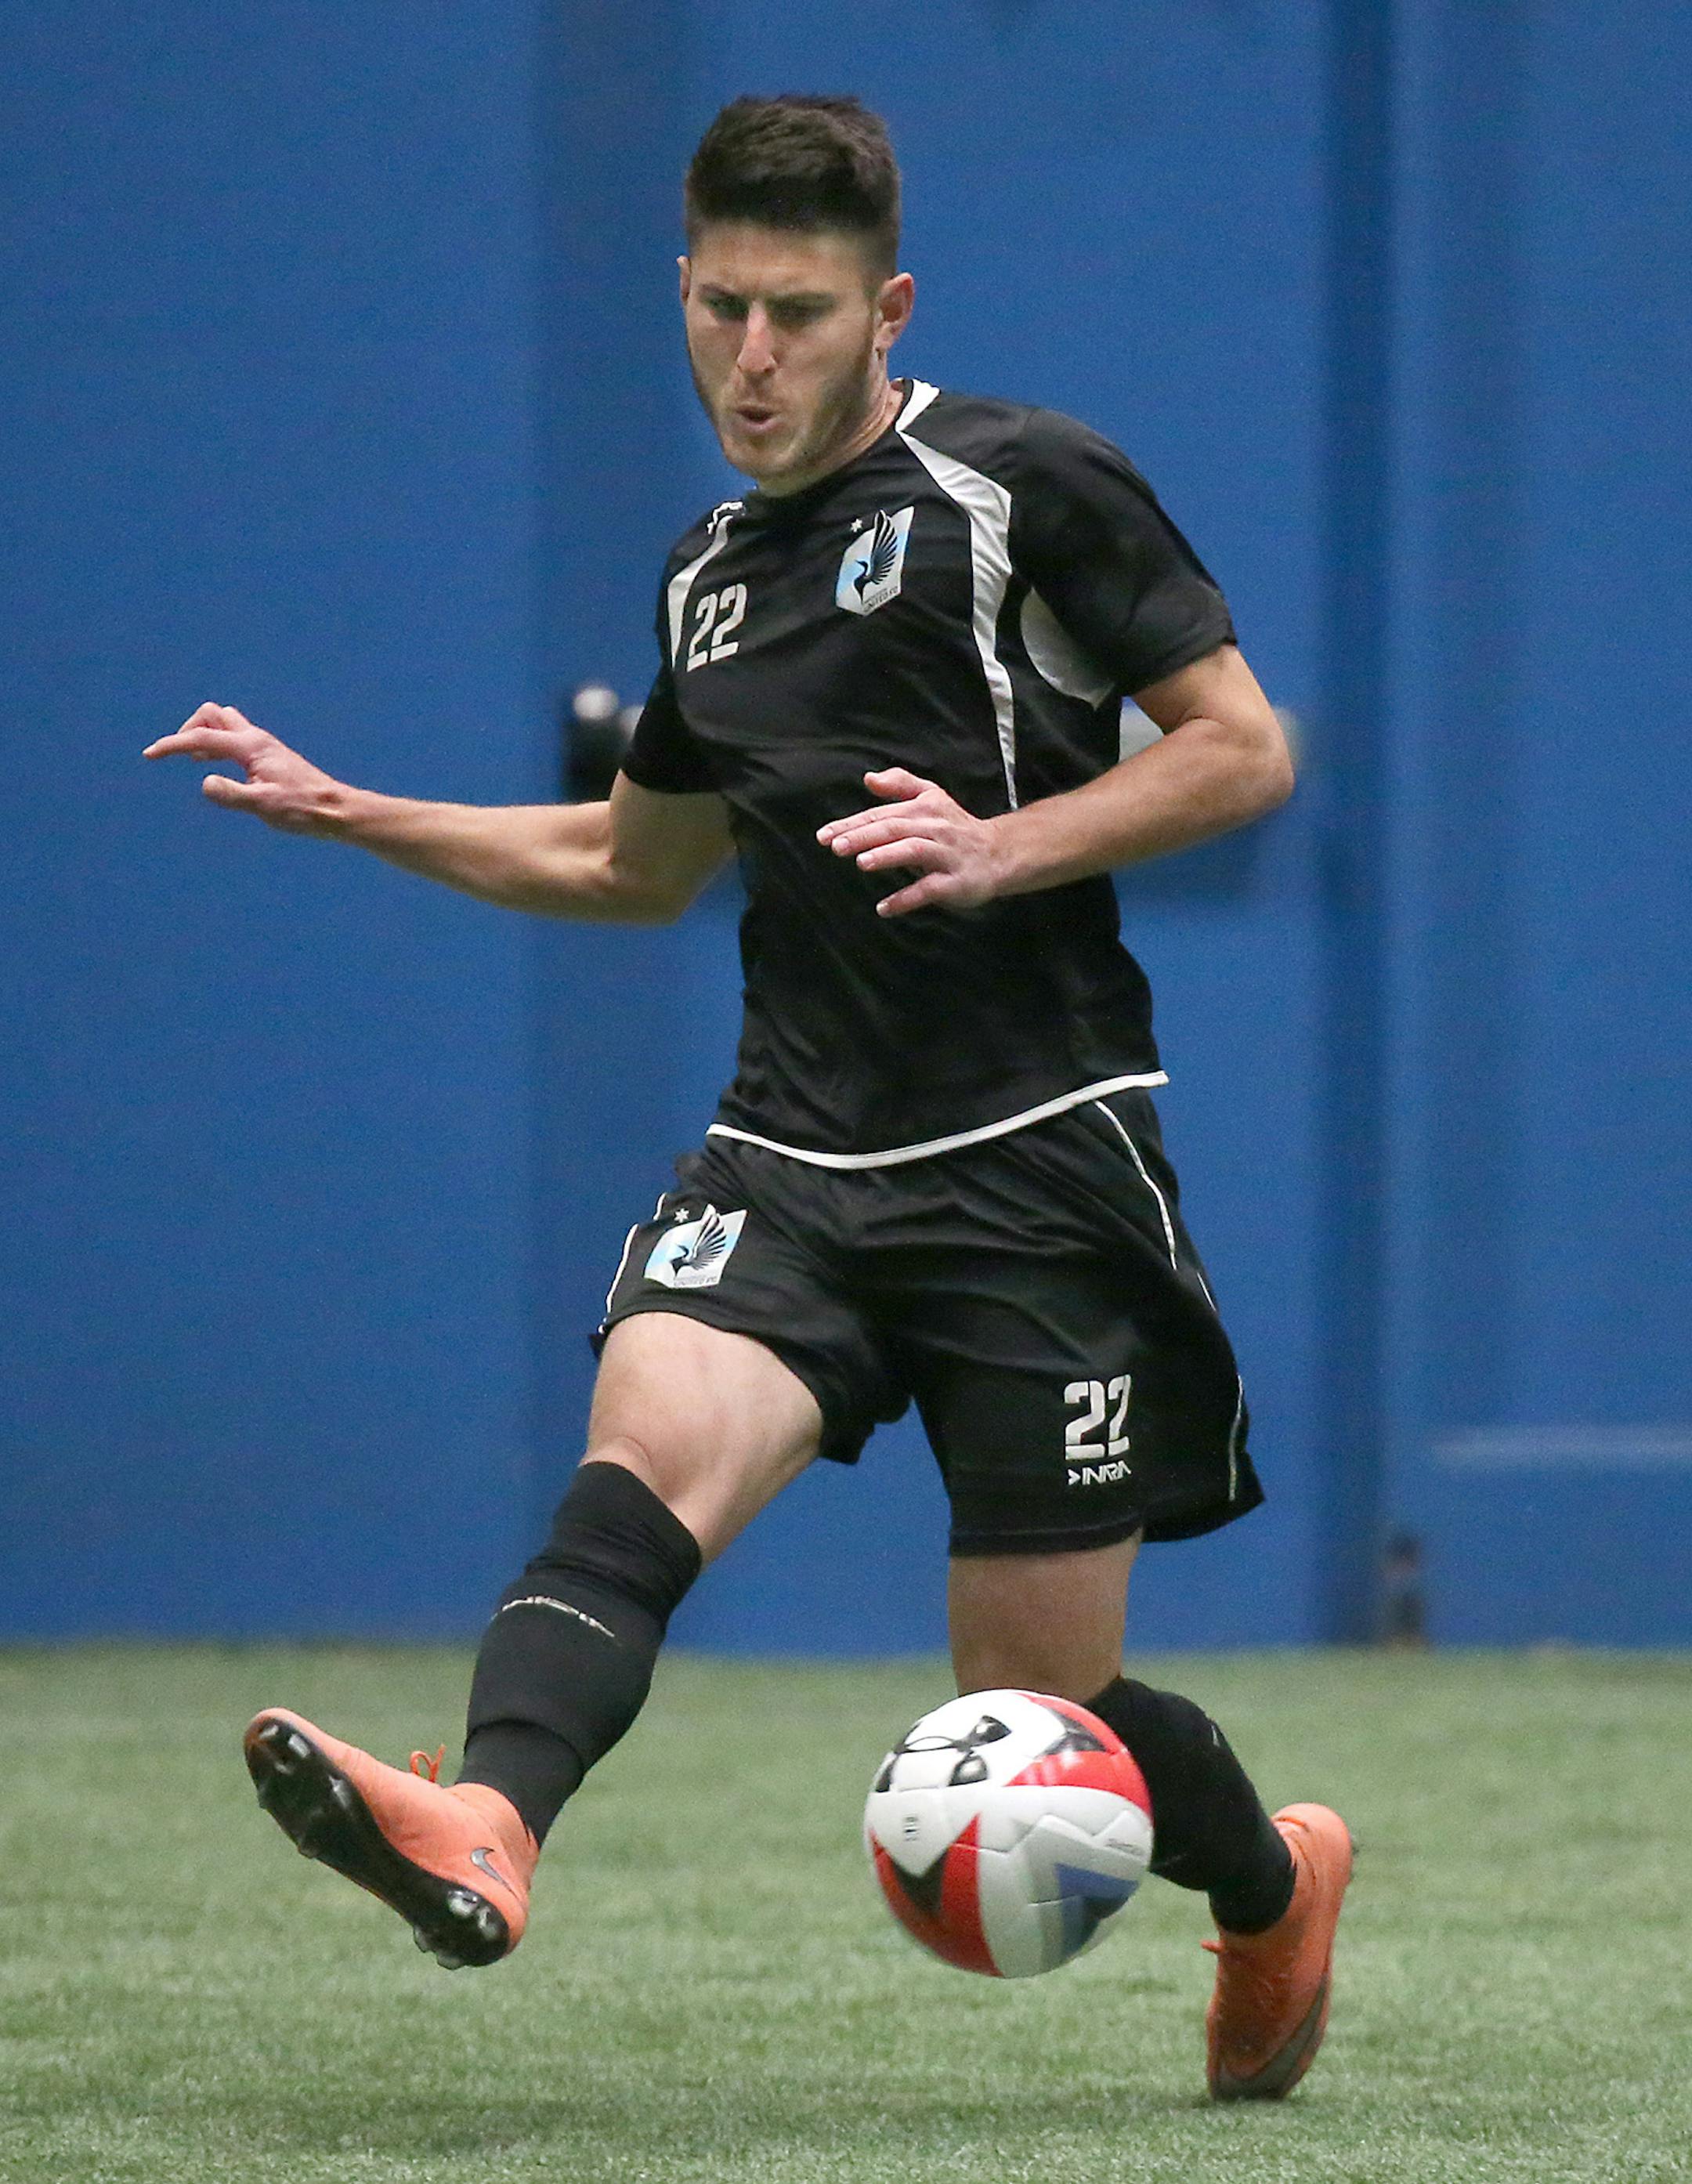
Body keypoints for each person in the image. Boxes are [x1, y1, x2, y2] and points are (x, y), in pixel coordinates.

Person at [146, 94, 1350, 2100]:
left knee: (1043, 1706)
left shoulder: (1024, 481)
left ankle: (1271, 1877)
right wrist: (355, 809)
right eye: (720, 311)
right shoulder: (707, 575)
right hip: (793, 1153)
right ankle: (491, 1820)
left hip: (1032, 1160)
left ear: (888, 308)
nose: (755, 359)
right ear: (684, 296)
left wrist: (1008, 841)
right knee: (638, 1472)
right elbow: (637, 863)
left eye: (800, 314)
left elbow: (1240, 753)